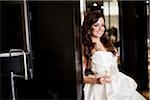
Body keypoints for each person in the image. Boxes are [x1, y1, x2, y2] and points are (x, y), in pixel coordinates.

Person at [81, 11, 146, 100]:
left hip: (118, 82)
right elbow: (82, 77)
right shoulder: (87, 47)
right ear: (89, 27)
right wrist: (97, 80)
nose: (101, 28)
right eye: (96, 25)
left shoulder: (107, 44)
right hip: (101, 87)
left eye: (102, 25)